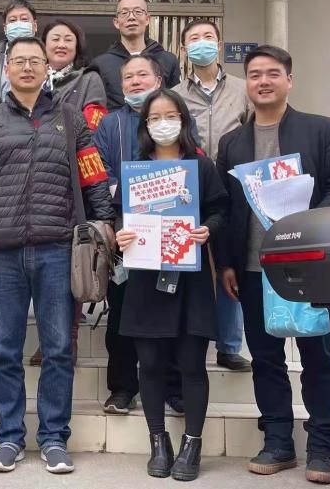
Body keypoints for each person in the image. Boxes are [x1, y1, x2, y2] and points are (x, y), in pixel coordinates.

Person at [0, 36, 114, 475]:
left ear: (47, 69)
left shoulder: (71, 119)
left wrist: (105, 228)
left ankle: (53, 438)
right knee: (5, 349)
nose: (27, 67)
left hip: (58, 250)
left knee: (58, 349)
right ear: (6, 69)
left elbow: (94, 178)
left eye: (35, 61)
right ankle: (9, 437)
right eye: (19, 61)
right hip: (2, 254)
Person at [216, 45, 330, 484]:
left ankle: (321, 446)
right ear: (247, 83)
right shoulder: (232, 143)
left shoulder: (319, 129)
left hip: (308, 266)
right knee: (265, 359)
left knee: (318, 355)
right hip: (253, 269)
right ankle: (278, 442)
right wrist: (226, 263)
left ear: (289, 80)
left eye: (272, 73)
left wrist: (308, 221)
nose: (263, 81)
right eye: (254, 74)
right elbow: (225, 206)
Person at [115, 89, 228, 482]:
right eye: (154, 117)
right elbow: (119, 216)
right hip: (146, 280)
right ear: (144, 124)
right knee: (149, 364)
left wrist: (207, 229)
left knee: (192, 364)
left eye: (170, 115)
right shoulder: (136, 169)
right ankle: (158, 442)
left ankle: (192, 444)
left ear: (183, 119)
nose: (163, 124)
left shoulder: (200, 165)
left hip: (191, 280)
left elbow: (220, 209)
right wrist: (121, 234)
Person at [94, 55, 188, 417]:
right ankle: (122, 387)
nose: (135, 82)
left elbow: (189, 163)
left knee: (171, 310)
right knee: (122, 312)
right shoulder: (110, 124)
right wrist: (120, 213)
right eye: (128, 77)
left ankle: (173, 388)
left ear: (159, 80)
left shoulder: (174, 121)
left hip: (173, 234)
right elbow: (100, 172)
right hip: (126, 234)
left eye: (142, 75)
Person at [28, 18, 109, 368]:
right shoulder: (30, 79)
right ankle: (47, 338)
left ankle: (68, 339)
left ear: (78, 47)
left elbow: (93, 125)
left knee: (72, 264)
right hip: (34, 182)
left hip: (73, 180)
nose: (61, 44)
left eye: (68, 39)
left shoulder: (88, 79)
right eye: (54, 39)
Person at [173, 19, 252, 373]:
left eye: (208, 37)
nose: (201, 43)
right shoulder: (176, 93)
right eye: (194, 39)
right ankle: (190, 336)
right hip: (190, 186)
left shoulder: (243, 89)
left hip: (235, 186)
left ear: (219, 45)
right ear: (183, 49)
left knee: (228, 261)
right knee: (193, 262)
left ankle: (230, 344)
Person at [91, 0, 181, 110]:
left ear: (147, 19)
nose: (131, 17)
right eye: (124, 13)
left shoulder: (168, 60)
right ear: (116, 22)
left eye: (138, 12)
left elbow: (175, 102)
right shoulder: (100, 64)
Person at [0, 0, 38, 100]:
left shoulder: (48, 55)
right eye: (12, 20)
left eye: (24, 19)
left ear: (35, 26)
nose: (18, 24)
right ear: (5, 28)